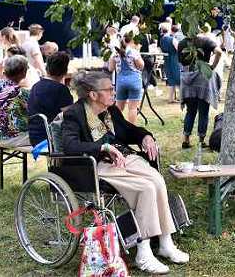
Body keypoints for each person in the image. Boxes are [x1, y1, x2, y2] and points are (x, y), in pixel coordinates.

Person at [62, 72, 188, 274]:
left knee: (157, 180)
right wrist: (102, 147)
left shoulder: (110, 110)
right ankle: (143, 252)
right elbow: (70, 145)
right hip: (99, 164)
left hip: (124, 158)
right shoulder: (75, 114)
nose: (114, 92)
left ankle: (165, 242)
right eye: (109, 89)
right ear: (93, 95)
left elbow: (127, 130)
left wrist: (145, 136)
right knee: (145, 188)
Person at [178, 34, 223, 149]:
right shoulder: (205, 40)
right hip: (203, 79)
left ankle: (186, 139)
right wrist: (212, 66)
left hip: (188, 80)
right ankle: (201, 141)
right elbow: (219, 52)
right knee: (203, 112)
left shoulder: (182, 43)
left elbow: (181, 63)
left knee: (190, 111)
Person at [26, 51, 74, 147]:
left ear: (47, 68)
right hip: (52, 138)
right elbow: (71, 117)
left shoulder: (36, 86)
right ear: (65, 70)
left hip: (34, 137)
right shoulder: (61, 90)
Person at [0, 55, 31, 148]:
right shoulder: (20, 92)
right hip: (15, 138)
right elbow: (34, 112)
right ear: (23, 73)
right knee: (51, 133)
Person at [108, 34, 145, 123]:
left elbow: (110, 68)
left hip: (121, 81)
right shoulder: (133, 52)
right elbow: (141, 66)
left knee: (118, 108)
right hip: (134, 80)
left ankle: (116, 127)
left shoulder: (115, 53)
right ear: (131, 41)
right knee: (132, 108)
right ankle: (132, 129)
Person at [159, 25, 180, 103]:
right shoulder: (172, 39)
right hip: (174, 59)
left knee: (171, 80)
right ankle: (182, 98)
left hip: (167, 60)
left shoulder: (161, 40)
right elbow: (178, 49)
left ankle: (170, 98)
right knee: (178, 78)